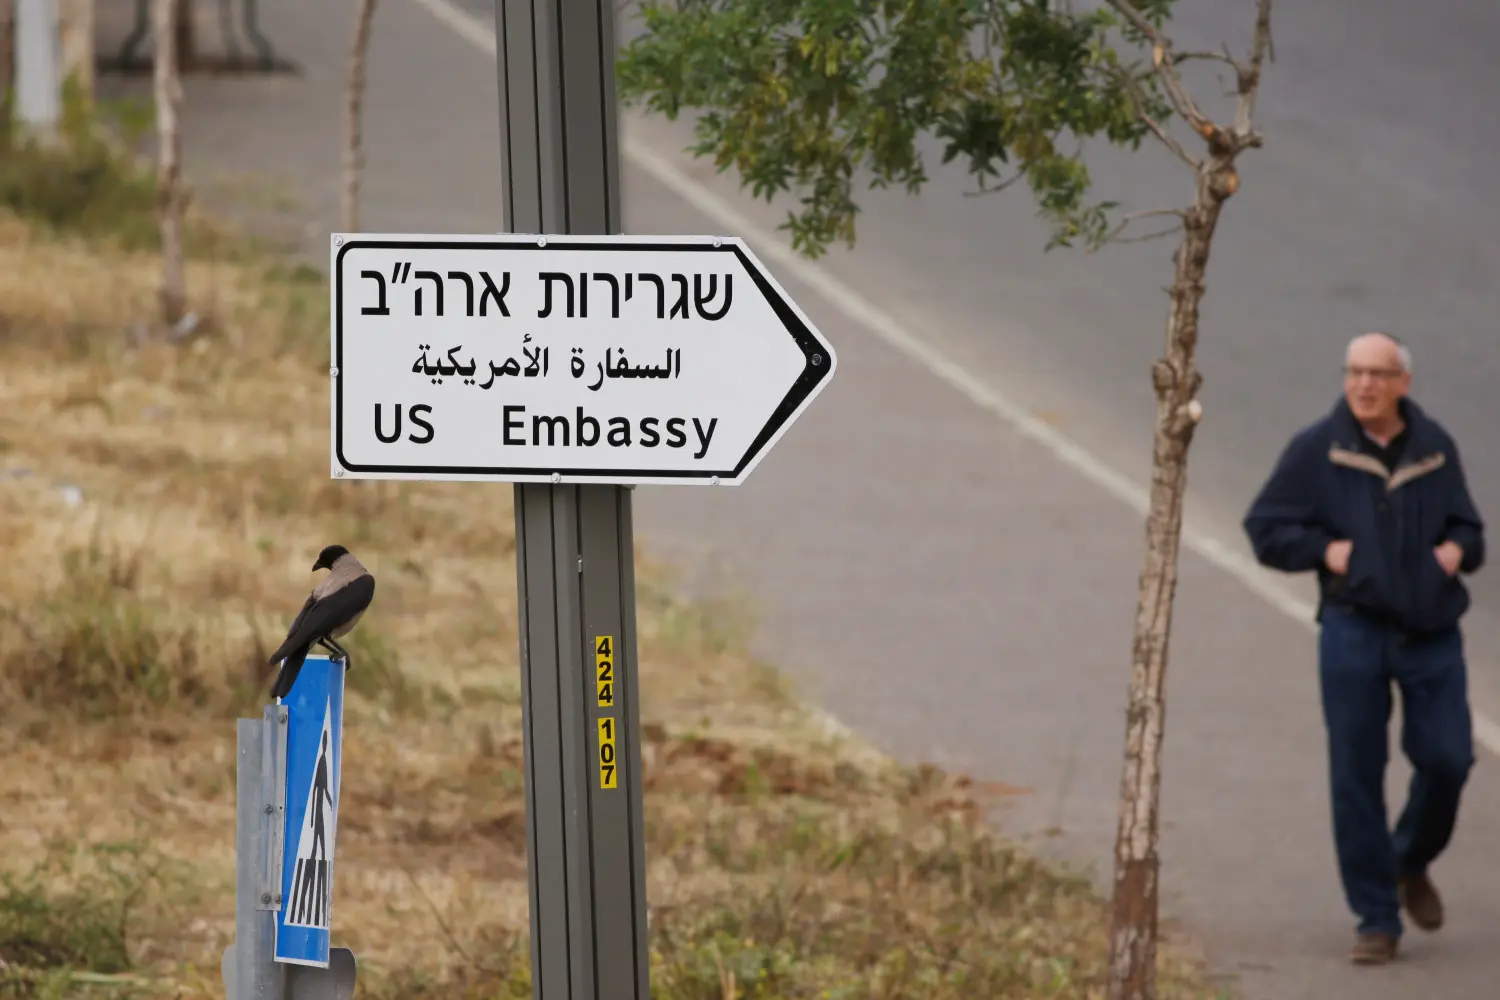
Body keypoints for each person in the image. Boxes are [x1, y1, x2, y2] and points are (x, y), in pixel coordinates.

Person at [1243, 331, 1485, 966]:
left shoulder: (1433, 448)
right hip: (1355, 629)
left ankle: (1408, 859)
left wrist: (1456, 551)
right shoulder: (1318, 450)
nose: (1364, 385)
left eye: (1378, 374)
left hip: (1431, 632)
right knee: (1355, 773)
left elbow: (1469, 525)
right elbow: (1265, 529)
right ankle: (1376, 918)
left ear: (1403, 383)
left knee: (1450, 760)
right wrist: (1325, 552)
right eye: (1355, 372)